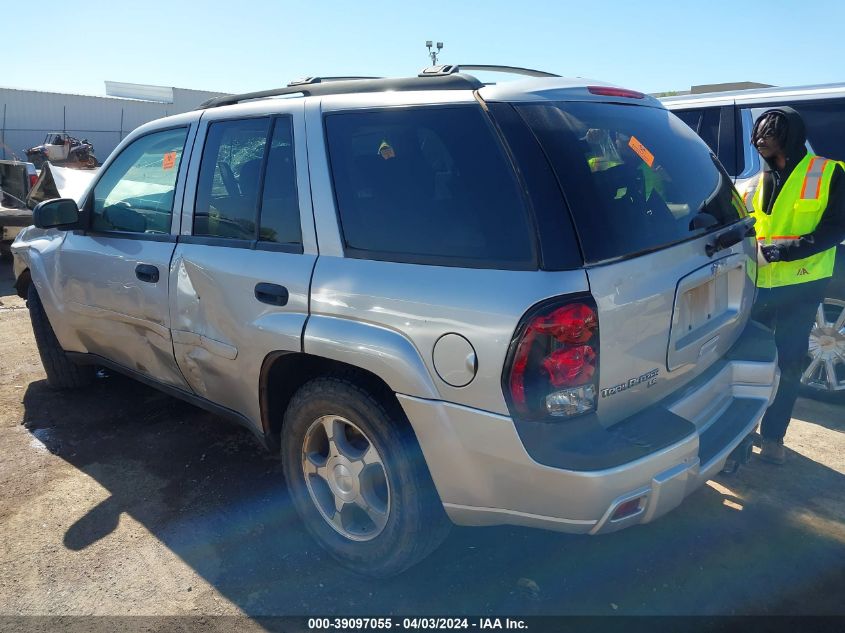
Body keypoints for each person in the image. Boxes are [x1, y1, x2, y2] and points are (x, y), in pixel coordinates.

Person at [747, 107, 845, 464]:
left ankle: (774, 436)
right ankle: (741, 435)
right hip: (758, 286)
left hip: (802, 289)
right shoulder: (757, 180)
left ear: (789, 138)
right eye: (758, 137)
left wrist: (775, 252)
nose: (760, 144)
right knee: (750, 363)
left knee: (789, 364)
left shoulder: (829, 173)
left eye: (768, 138)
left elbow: (834, 230)